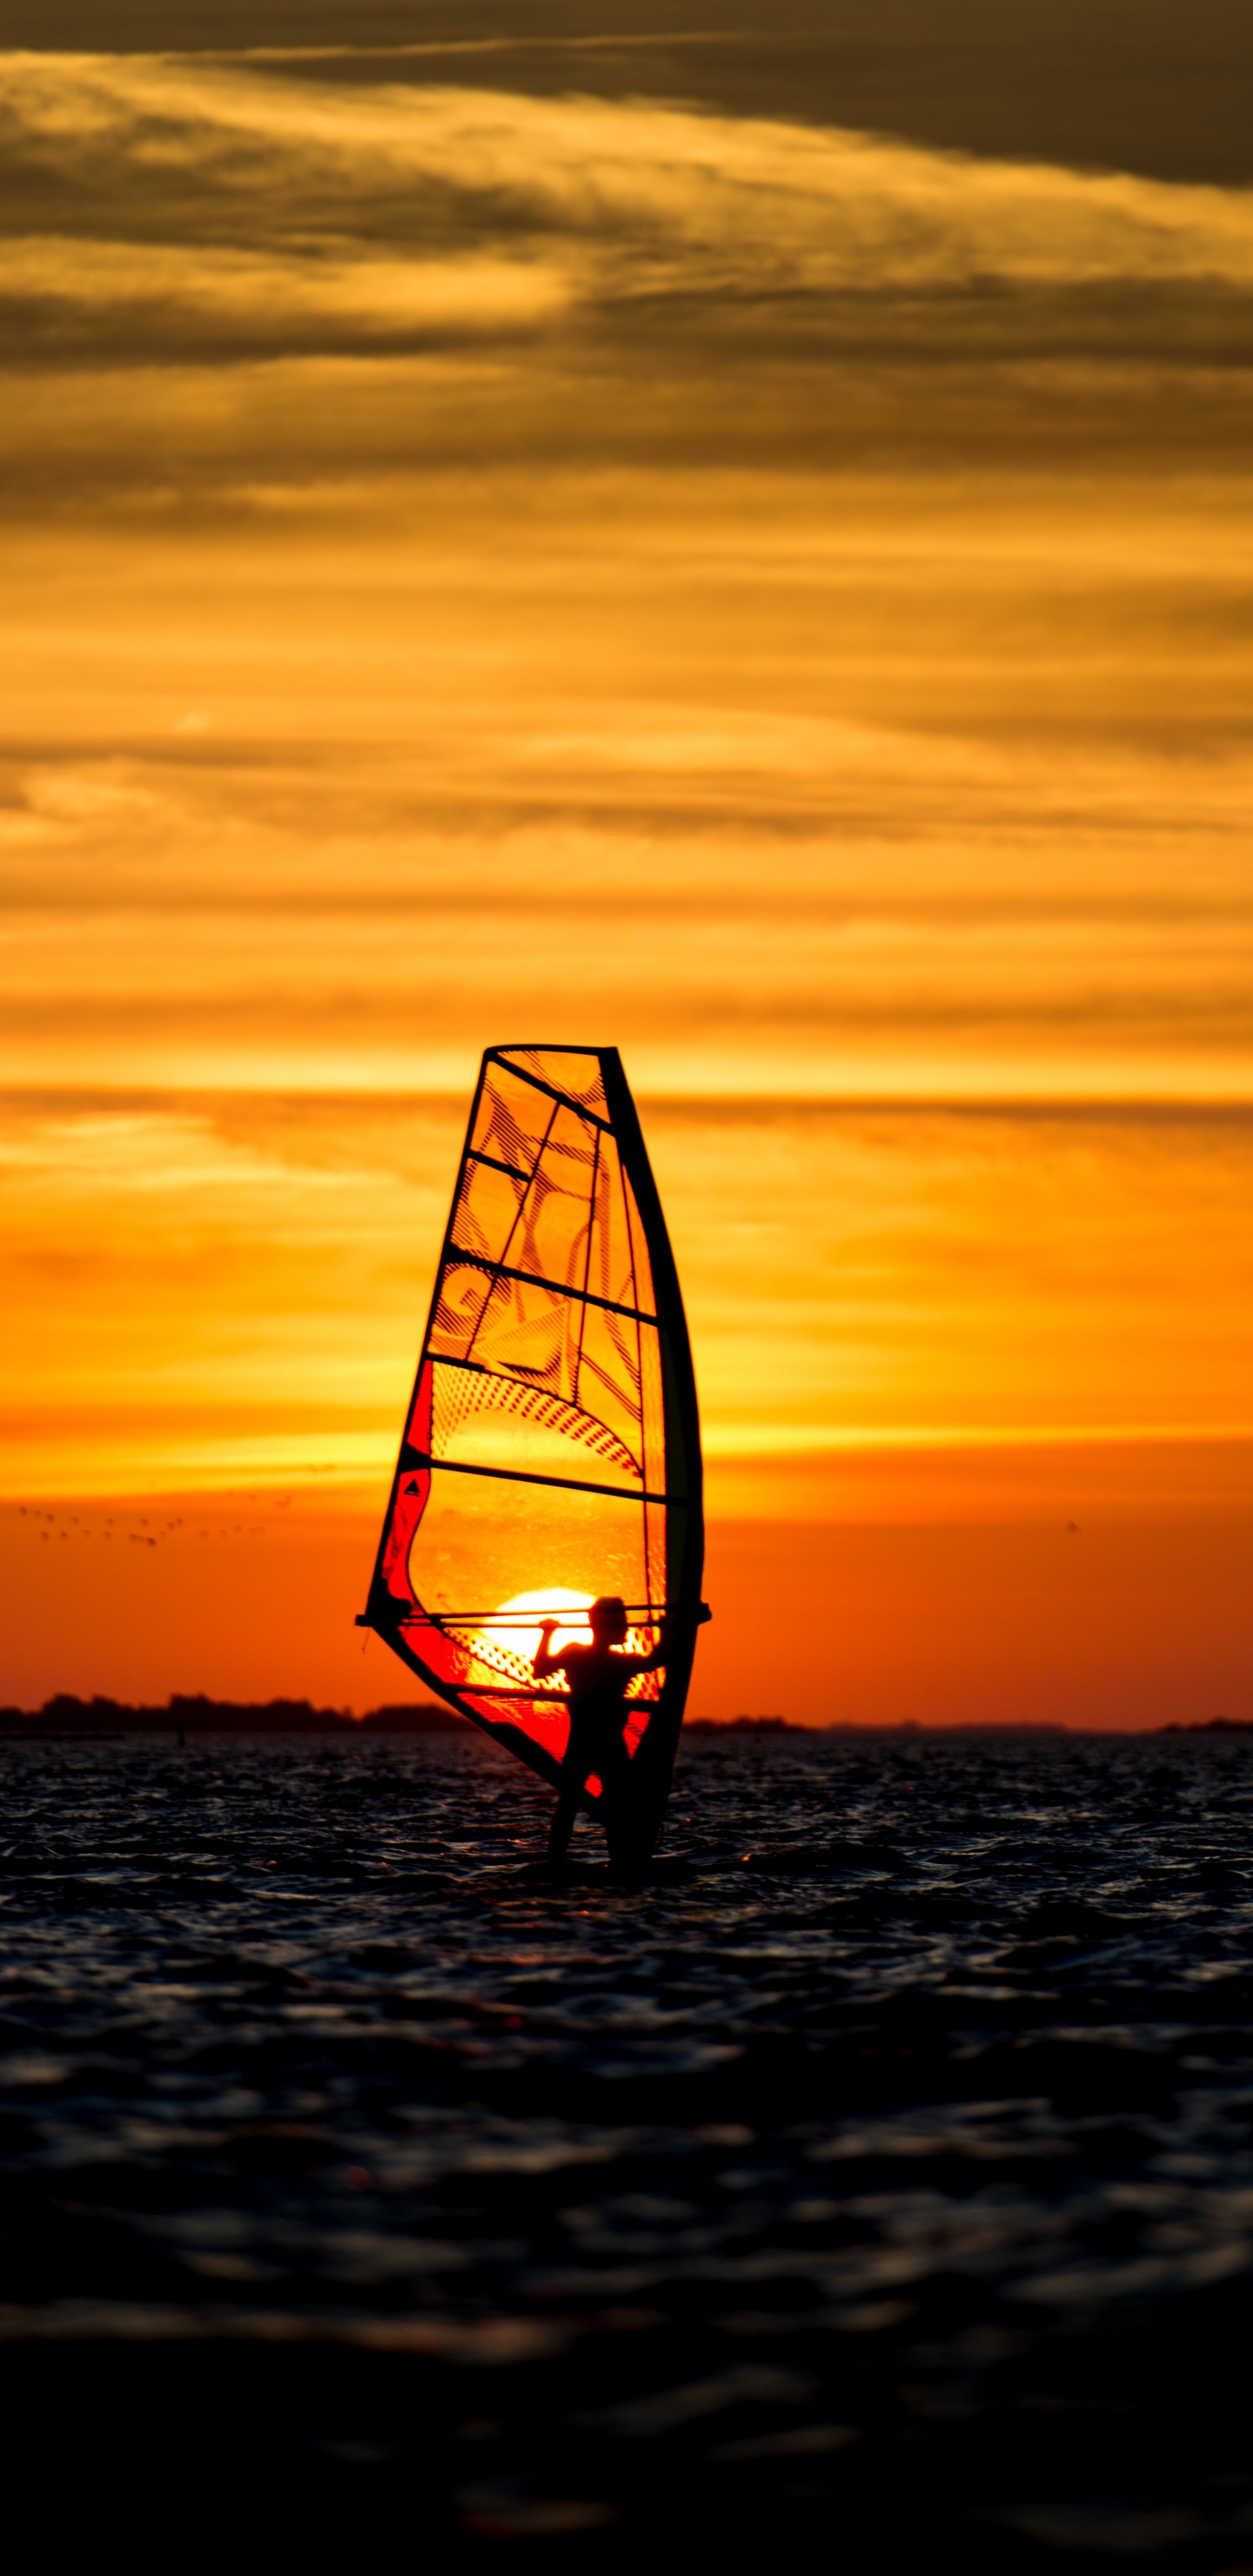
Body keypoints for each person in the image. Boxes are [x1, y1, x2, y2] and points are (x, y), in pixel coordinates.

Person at [533, 1596, 699, 1865]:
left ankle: (574, 1860)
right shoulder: (586, 1655)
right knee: (583, 1805)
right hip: (595, 1744)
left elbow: (659, 1658)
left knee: (589, 1805)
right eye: (621, 1624)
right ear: (604, 1627)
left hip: (600, 1745)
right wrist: (670, 1628)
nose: (626, 1629)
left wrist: (673, 1625)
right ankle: (571, 1862)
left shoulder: (615, 1661)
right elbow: (541, 1671)